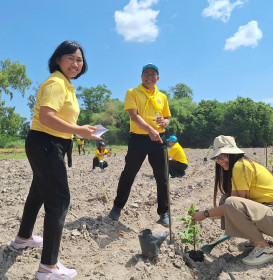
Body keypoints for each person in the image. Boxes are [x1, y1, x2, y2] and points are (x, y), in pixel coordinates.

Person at [10, 41, 101, 280]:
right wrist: (78, 130)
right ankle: (48, 267)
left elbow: (59, 118)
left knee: (38, 192)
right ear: (58, 60)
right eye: (70, 58)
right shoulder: (56, 83)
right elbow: (46, 117)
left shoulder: (67, 85)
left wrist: (80, 130)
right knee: (59, 201)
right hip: (47, 143)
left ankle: (23, 238)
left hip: (49, 143)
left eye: (79, 60)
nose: (75, 63)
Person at [192, 135, 273, 266]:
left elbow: (234, 205)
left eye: (222, 156)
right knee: (226, 199)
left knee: (231, 203)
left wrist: (205, 214)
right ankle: (253, 240)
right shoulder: (241, 165)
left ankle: (264, 249)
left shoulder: (240, 166)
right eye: (216, 157)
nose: (219, 161)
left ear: (232, 154)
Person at [109, 63, 172, 226]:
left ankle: (164, 212)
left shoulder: (162, 97)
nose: (149, 76)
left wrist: (164, 122)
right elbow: (134, 116)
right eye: (146, 73)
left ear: (157, 78)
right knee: (129, 173)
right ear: (141, 76)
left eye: (153, 74)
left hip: (158, 139)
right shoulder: (133, 92)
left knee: (162, 177)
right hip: (138, 139)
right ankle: (117, 206)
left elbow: (167, 118)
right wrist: (151, 130)